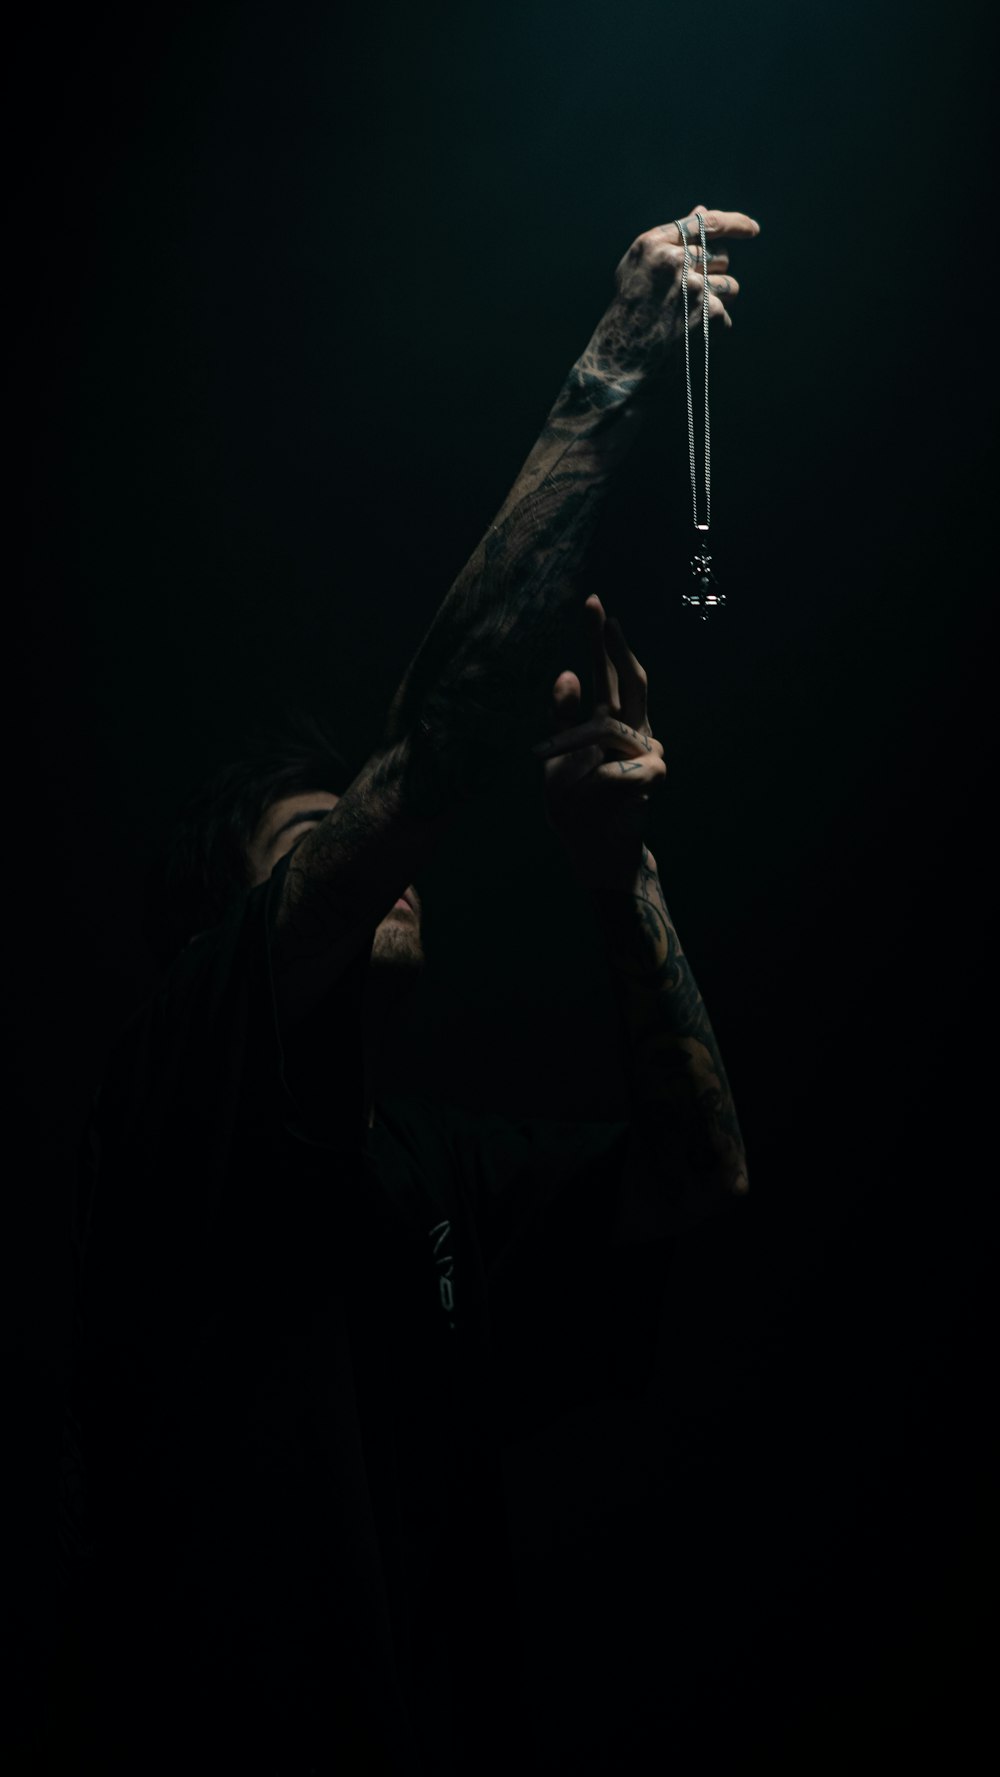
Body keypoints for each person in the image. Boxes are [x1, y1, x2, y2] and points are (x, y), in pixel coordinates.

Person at [63, 206, 755, 1775]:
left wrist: (614, 870)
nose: (381, 865)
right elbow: (438, 746)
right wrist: (613, 364)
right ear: (241, 929)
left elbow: (697, 1174)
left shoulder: (430, 1168)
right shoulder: (179, 1090)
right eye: (318, 847)